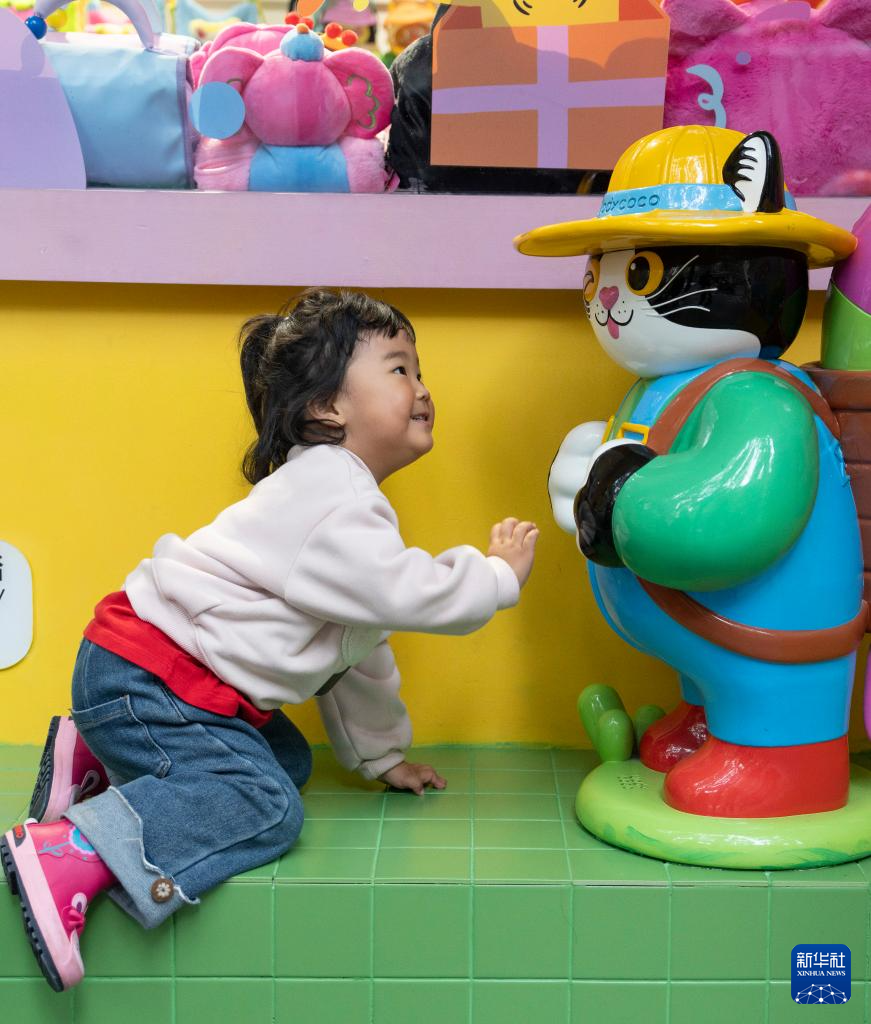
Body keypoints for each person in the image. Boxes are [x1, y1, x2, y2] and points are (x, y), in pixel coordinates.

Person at [0, 288, 539, 992]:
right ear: (327, 407)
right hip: (150, 678)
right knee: (267, 806)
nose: (422, 387)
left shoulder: (342, 506)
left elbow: (353, 655)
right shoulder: (332, 497)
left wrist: (381, 758)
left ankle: (96, 761)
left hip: (147, 678)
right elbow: (412, 594)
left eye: (419, 370)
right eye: (399, 369)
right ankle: (73, 850)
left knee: (284, 759)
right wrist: (495, 575)